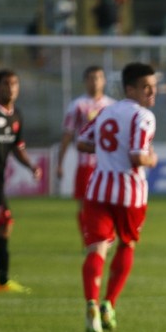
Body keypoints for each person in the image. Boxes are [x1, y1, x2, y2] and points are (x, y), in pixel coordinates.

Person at [76, 62, 157, 332]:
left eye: (154, 87)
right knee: (127, 243)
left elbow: (82, 142)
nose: (152, 92)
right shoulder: (144, 116)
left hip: (98, 189)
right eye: (146, 87)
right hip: (130, 192)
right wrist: (152, 159)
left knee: (97, 248)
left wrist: (107, 151)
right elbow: (137, 156)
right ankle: (108, 304)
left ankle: (91, 302)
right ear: (130, 89)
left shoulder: (106, 111)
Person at [0, 70, 42, 294]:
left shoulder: (16, 116)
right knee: (4, 223)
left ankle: (3, 282)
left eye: (15, 84)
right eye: (6, 84)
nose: (11, 88)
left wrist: (31, 166)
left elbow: (18, 147)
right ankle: (3, 282)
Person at [58, 66, 116, 231]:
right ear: (85, 81)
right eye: (91, 78)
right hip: (86, 165)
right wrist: (60, 163)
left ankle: (106, 236)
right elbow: (67, 135)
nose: (95, 81)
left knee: (109, 203)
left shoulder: (112, 106)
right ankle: (88, 238)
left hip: (108, 166)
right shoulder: (77, 105)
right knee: (84, 205)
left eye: (99, 77)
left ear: (104, 81)